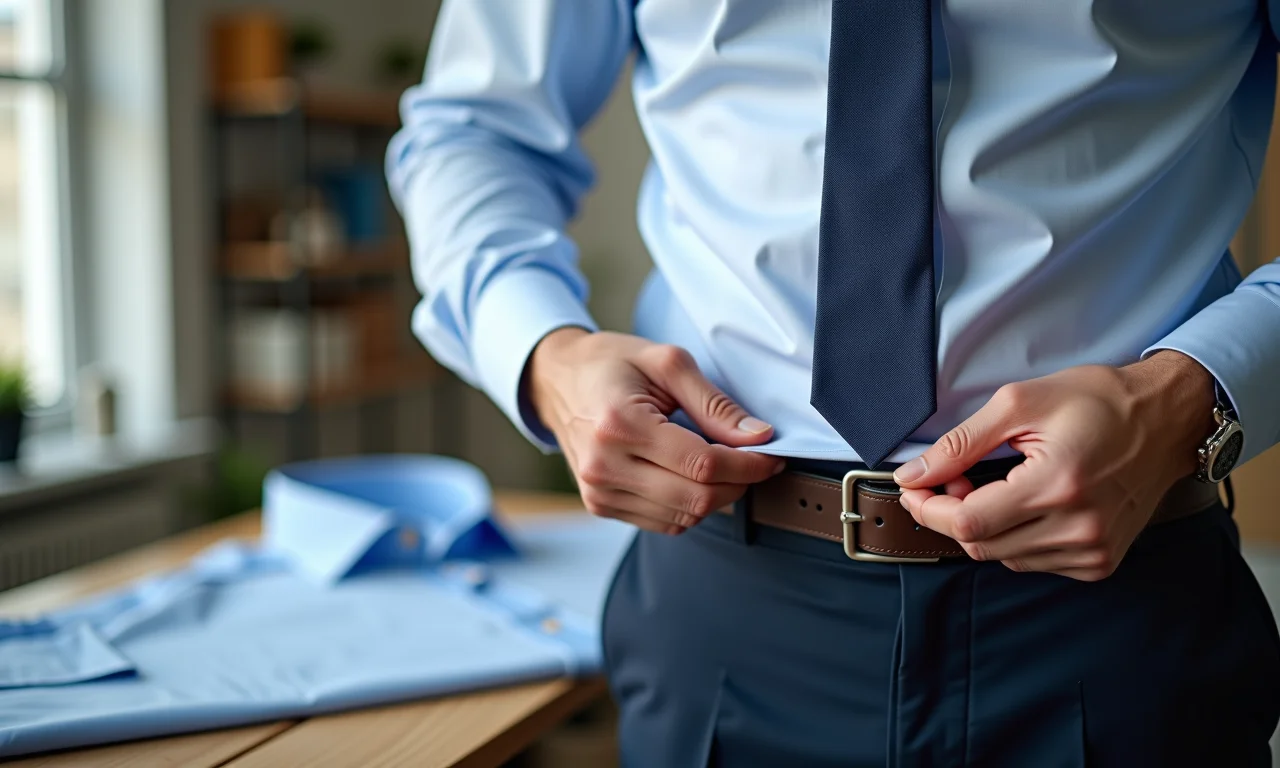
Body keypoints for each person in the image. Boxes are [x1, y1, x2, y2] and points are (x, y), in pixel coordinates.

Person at [388, 1, 1280, 765]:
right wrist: (545, 355)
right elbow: (475, 130)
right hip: (727, 601)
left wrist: (1189, 395)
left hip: (1115, 609)